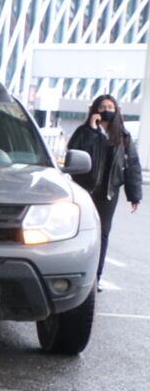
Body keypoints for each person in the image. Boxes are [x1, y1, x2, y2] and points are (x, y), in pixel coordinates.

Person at [66, 94, 142, 275]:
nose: (106, 110)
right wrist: (92, 129)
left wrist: (134, 195)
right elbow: (74, 150)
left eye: (110, 107)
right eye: (102, 107)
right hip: (85, 190)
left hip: (108, 193)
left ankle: (95, 276)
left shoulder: (123, 135)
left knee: (103, 233)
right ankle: (76, 272)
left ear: (116, 111)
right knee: (80, 231)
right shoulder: (84, 131)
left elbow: (132, 164)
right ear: (95, 110)